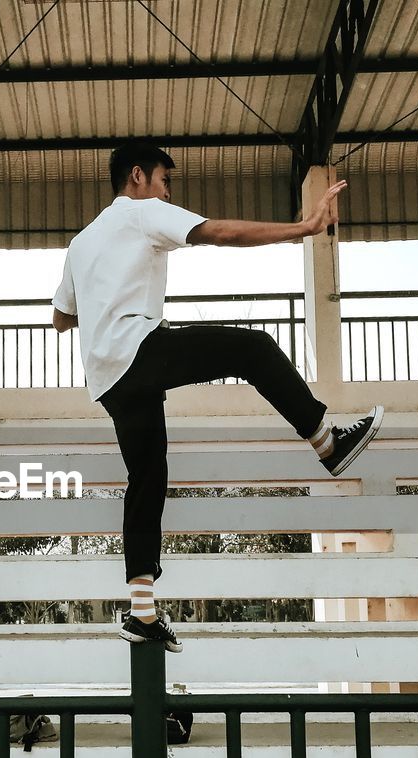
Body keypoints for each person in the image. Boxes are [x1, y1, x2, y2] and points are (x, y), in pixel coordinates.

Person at [51, 142, 383, 654]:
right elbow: (221, 232)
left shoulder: (81, 242)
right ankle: (327, 443)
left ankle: (142, 612)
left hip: (108, 378)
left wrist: (101, 298)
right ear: (137, 177)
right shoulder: (143, 212)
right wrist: (304, 228)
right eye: (165, 179)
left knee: (146, 478)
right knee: (251, 348)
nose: (167, 190)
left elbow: (60, 318)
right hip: (138, 350)